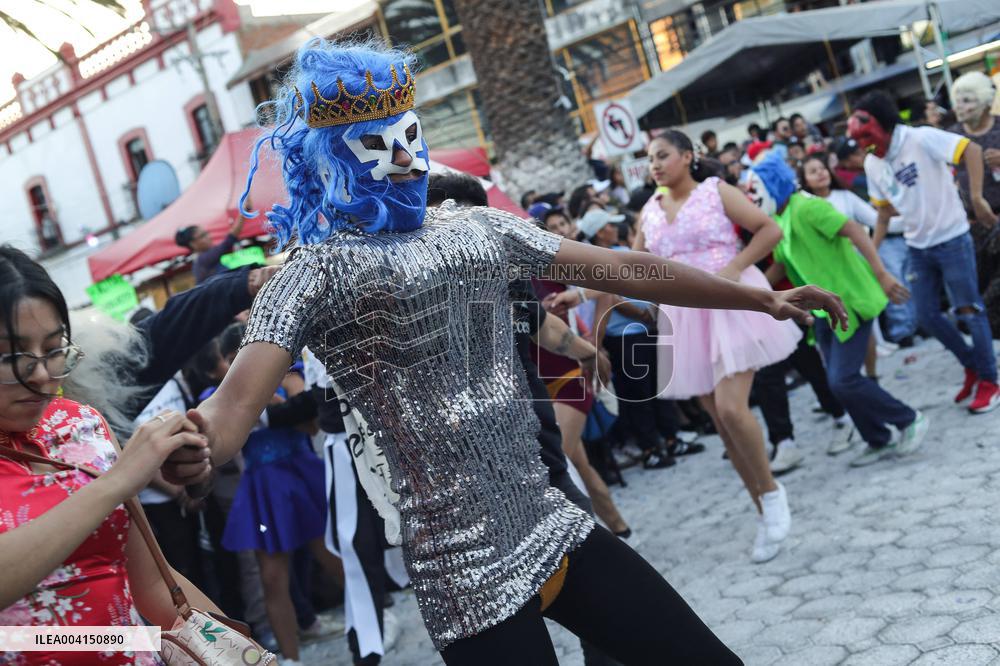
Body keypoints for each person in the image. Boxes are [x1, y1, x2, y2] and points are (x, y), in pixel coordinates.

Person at [163, 38, 845, 665]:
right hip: (462, 569)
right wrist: (189, 451)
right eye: (378, 145)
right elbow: (227, 418)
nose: (404, 160)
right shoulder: (309, 274)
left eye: (410, 137)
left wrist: (763, 298)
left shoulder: (480, 225)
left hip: (552, 520)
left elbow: (623, 266)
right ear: (336, 156)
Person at [0, 245, 221, 665]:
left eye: (52, 350)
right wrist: (117, 482)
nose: (43, 376)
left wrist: (240, 654)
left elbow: (155, 586)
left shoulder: (80, 425)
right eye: (14, 358)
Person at [637, 130, 804, 563]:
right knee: (721, 423)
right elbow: (629, 265)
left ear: (688, 156)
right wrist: (585, 295)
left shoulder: (716, 191)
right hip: (684, 316)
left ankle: (771, 491)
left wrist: (733, 268)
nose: (654, 164)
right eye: (649, 159)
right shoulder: (648, 211)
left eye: (662, 155)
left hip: (730, 302)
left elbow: (767, 230)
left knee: (733, 408)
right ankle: (763, 511)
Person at [749, 152, 928, 467]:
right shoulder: (780, 219)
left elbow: (856, 231)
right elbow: (780, 263)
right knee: (838, 382)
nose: (750, 197)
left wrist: (882, 273)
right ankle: (877, 438)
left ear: (772, 184)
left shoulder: (808, 207)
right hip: (823, 312)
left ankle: (908, 419)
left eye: (754, 189)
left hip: (849, 301)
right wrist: (745, 293)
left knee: (843, 380)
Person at [851, 90, 1000, 413]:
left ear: (885, 126)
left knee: (969, 310)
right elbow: (884, 212)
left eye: (867, 135)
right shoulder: (872, 164)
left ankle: (990, 380)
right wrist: (872, 256)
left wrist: (976, 197)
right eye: (858, 139)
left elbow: (971, 150)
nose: (864, 144)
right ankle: (973, 364)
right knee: (926, 315)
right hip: (917, 246)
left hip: (953, 238)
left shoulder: (920, 138)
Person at [799, 153, 917, 345]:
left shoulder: (844, 196)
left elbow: (876, 220)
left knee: (870, 303)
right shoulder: (806, 205)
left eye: (822, 168)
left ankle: (884, 342)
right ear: (805, 180)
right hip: (831, 269)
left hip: (857, 260)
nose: (820, 173)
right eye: (813, 171)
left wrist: (911, 219)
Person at [950, 71, 1000, 338]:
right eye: (957, 100)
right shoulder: (952, 137)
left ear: (983, 102)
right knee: (978, 292)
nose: (960, 106)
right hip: (969, 227)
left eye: (967, 100)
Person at [175, 215, 246, 283]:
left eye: (206, 233)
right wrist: (243, 214)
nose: (208, 237)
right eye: (202, 236)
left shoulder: (201, 260)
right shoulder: (203, 259)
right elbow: (229, 240)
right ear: (193, 244)